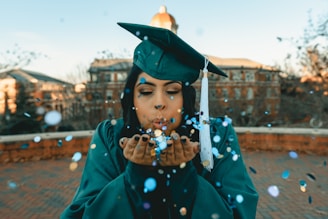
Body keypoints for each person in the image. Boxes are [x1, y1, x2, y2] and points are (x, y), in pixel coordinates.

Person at [61, 22, 258, 219]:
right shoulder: (111, 136)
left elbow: (240, 212)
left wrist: (185, 177)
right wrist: (135, 176)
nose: (159, 103)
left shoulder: (215, 135)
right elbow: (81, 213)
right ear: (132, 98)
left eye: (172, 91)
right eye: (146, 92)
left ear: (186, 98)